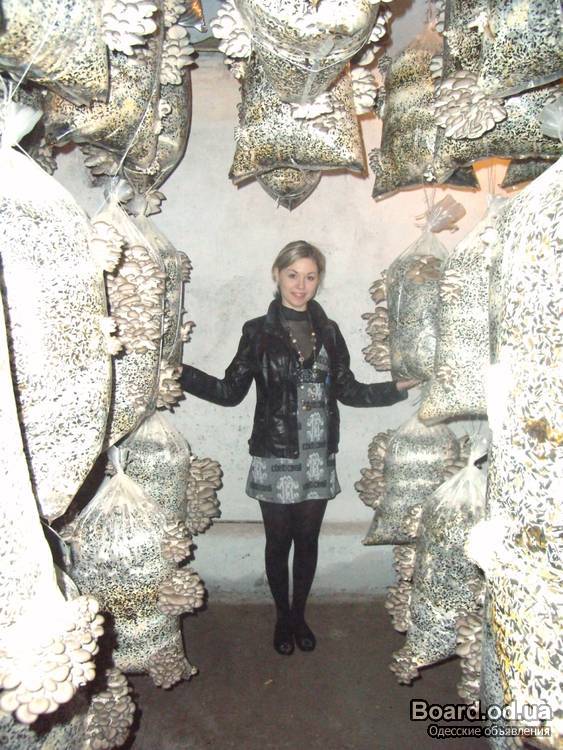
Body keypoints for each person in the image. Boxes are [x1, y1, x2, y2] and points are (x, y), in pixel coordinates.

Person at [180, 241, 417, 656]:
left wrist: (396, 388)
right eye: (293, 275)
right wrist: (179, 372)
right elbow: (229, 392)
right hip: (275, 452)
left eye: (310, 276)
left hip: (318, 453)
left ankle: (299, 615)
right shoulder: (257, 332)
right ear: (277, 275)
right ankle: (281, 616)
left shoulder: (329, 331)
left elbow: (349, 390)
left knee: (307, 541)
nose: (301, 285)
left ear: (318, 279)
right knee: (278, 542)